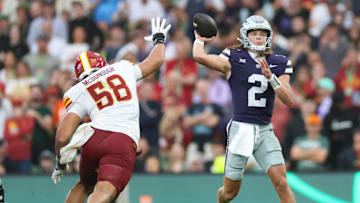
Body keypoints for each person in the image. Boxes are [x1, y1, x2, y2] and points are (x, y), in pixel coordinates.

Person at [51, 17, 171, 203]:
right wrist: (159, 39)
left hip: (93, 138)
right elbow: (156, 60)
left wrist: (60, 163)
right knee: (104, 189)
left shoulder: (80, 89)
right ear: (102, 63)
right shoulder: (122, 68)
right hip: (121, 139)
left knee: (84, 183)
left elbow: (62, 136)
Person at [193, 15, 296, 203]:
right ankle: (220, 197)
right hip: (241, 129)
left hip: (265, 129)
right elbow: (199, 56)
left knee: (281, 182)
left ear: (269, 37)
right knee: (230, 194)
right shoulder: (233, 57)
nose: (258, 37)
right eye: (254, 33)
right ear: (245, 36)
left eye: (262, 34)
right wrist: (199, 40)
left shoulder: (279, 62)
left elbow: (289, 99)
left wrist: (271, 78)